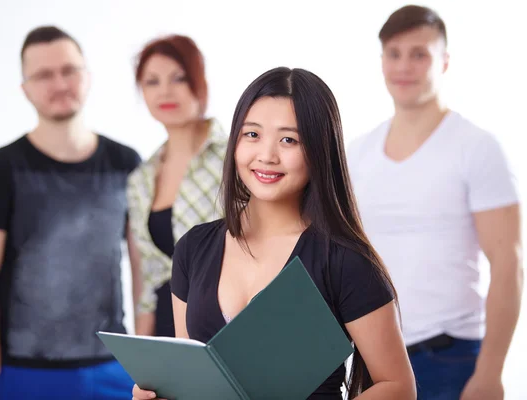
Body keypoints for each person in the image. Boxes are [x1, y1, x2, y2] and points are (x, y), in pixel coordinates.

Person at [133, 67, 417, 399]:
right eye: (252, 135)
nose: (266, 156)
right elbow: (189, 379)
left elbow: (398, 387)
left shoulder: (344, 261)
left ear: (318, 150)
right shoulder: (193, 248)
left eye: (288, 140)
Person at [346, 5, 522, 400]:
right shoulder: (357, 153)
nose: (404, 66)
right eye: (394, 54)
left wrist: (490, 372)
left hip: (450, 356)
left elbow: (508, 264)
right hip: (372, 358)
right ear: (381, 62)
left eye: (419, 54)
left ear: (443, 62)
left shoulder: (476, 147)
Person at [0, 26, 142, 400]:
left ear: (88, 76)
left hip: (115, 367)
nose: (59, 84)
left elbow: (145, 266)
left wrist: (146, 362)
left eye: (69, 70)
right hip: (25, 370)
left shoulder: (125, 163)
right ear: (25, 88)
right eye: (43, 75)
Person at [128, 34, 227, 337]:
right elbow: (149, 281)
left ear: (200, 84)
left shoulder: (238, 157)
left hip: (226, 324)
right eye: (152, 81)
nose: (165, 91)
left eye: (179, 78)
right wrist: (142, 361)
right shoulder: (140, 179)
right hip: (165, 332)